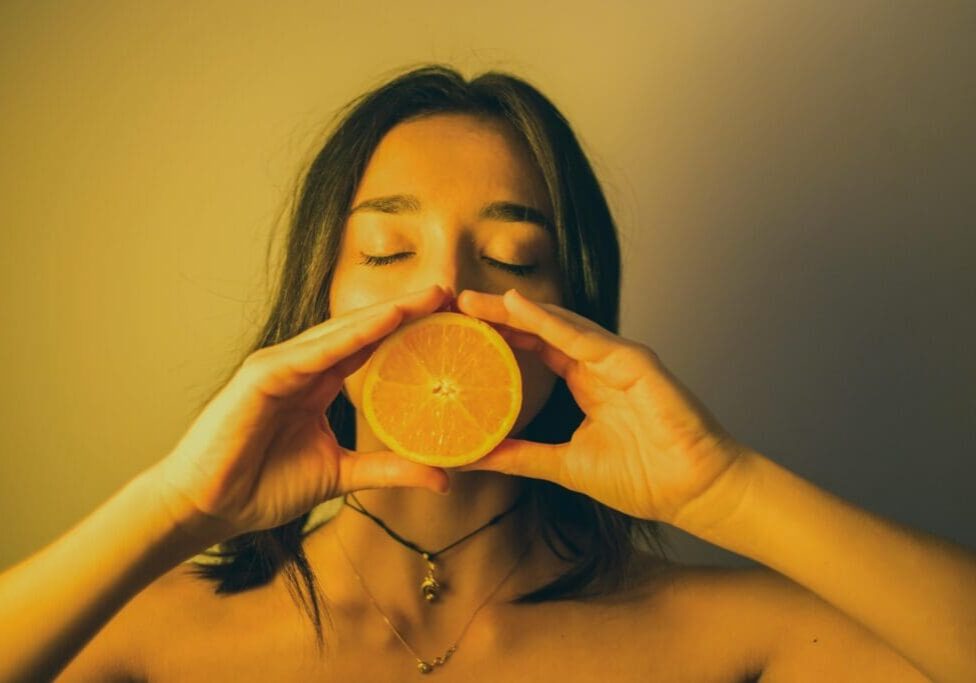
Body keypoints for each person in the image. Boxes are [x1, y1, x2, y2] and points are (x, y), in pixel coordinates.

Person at [1, 64, 970, 682]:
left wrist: (730, 490)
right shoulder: (146, 635)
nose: (445, 291)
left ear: (574, 317)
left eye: (511, 260)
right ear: (315, 299)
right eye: (386, 252)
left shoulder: (717, 637)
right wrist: (175, 507)